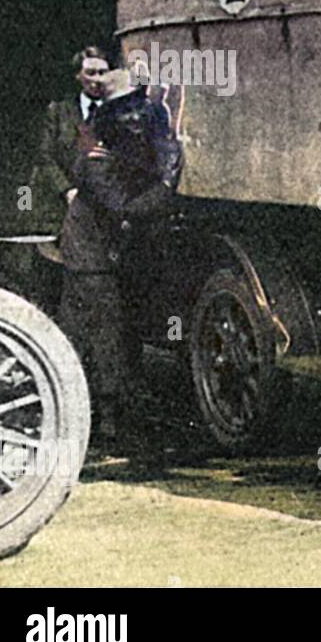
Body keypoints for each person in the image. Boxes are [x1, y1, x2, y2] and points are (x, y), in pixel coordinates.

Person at [57, 71, 183, 445]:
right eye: (127, 113)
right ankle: (107, 422)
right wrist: (165, 185)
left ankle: (111, 414)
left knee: (114, 334)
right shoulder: (97, 160)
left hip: (103, 255)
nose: (136, 120)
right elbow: (122, 207)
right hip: (90, 258)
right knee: (104, 336)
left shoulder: (111, 147)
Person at [31, 46, 111, 227]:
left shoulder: (119, 112)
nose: (97, 80)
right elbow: (45, 157)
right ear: (78, 76)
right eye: (90, 73)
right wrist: (66, 190)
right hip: (66, 210)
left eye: (102, 73)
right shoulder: (59, 112)